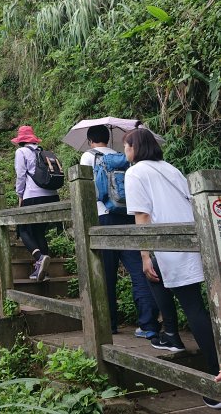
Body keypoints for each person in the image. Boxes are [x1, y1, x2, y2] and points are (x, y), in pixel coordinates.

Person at [124, 128, 221, 410]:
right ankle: (171, 335)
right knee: (165, 282)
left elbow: (142, 215)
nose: (124, 152)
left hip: (172, 245)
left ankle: (215, 380)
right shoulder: (171, 168)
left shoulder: (135, 172)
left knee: (194, 308)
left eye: (126, 147)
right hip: (198, 238)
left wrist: (144, 254)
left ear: (135, 147)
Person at [80, 124, 160, 338]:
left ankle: (109, 325)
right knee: (138, 271)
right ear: (108, 139)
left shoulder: (88, 157)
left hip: (103, 217)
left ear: (89, 141)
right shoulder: (123, 155)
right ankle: (149, 324)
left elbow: (88, 191)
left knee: (105, 273)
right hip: (129, 216)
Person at [12, 126, 59, 281]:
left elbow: (20, 175)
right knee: (39, 232)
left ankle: (39, 258)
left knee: (23, 229)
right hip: (52, 196)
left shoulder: (21, 152)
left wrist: (20, 195)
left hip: (32, 196)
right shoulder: (43, 152)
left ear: (21, 141)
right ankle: (43, 272)